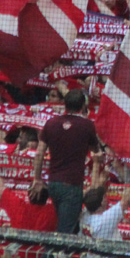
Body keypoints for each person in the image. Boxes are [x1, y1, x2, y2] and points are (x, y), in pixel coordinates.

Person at [33, 89, 101, 234]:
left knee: (66, 225)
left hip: (53, 184)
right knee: (65, 232)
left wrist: (37, 179)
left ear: (64, 104)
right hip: (72, 185)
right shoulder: (87, 125)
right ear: (83, 106)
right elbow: (97, 152)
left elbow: (39, 153)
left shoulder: (51, 123)